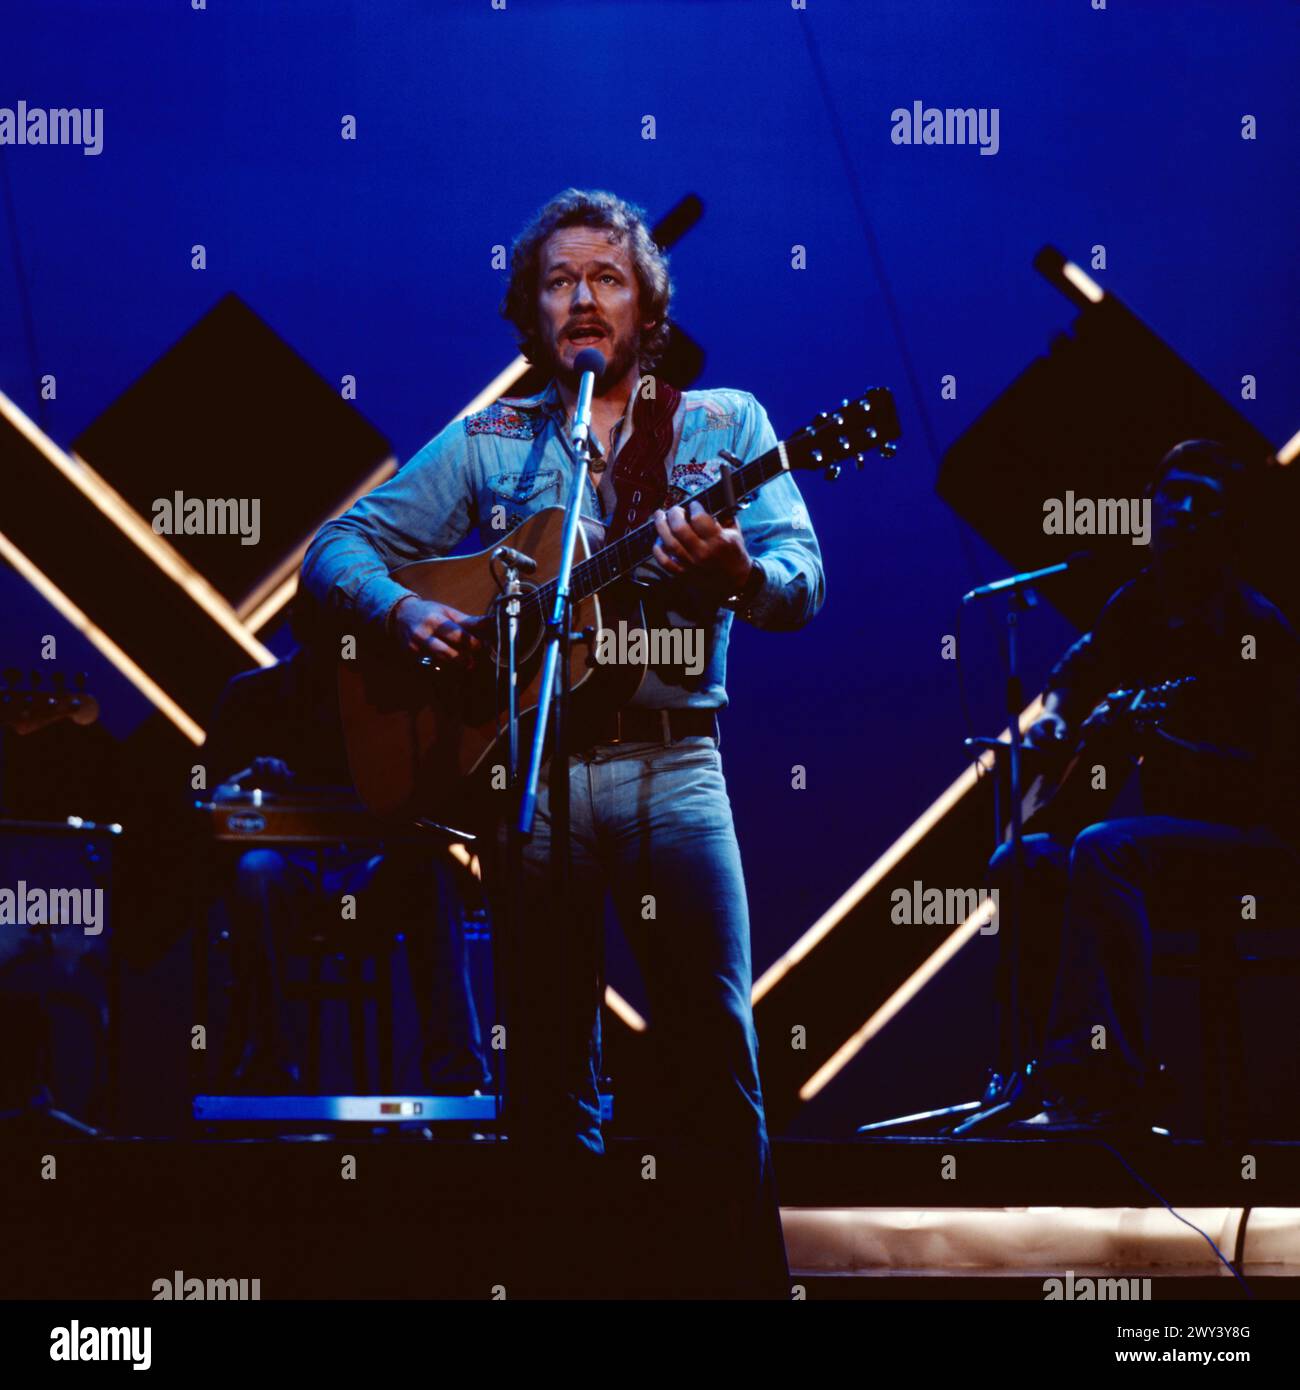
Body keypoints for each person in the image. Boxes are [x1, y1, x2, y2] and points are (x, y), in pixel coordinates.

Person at [301, 188, 824, 1296]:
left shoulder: (724, 424)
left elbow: (802, 580)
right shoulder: (491, 440)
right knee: (545, 1080)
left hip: (675, 765)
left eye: (606, 276)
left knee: (712, 1054)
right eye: (558, 279)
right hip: (530, 774)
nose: (582, 295)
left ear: (647, 304)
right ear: (530, 312)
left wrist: (739, 574)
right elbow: (340, 546)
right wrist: (407, 612)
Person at [987, 441, 1300, 1134]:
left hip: (1259, 846)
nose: (1186, 510)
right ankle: (1030, 1079)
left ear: (1225, 526)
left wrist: (1163, 745)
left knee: (1106, 849)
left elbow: (1275, 784)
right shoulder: (1137, 605)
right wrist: (1060, 720)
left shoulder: (1255, 630)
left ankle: (1107, 1082)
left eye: (1206, 502)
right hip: (1169, 844)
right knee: (1022, 861)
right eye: (1175, 493)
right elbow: (1076, 672)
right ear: (1150, 505)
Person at [203, 640, 489, 1095]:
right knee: (256, 870)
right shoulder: (252, 694)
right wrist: (247, 780)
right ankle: (271, 1066)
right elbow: (206, 796)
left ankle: (457, 1073)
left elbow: (431, 795)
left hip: (368, 873)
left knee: (429, 871)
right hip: (288, 876)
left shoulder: (390, 697)